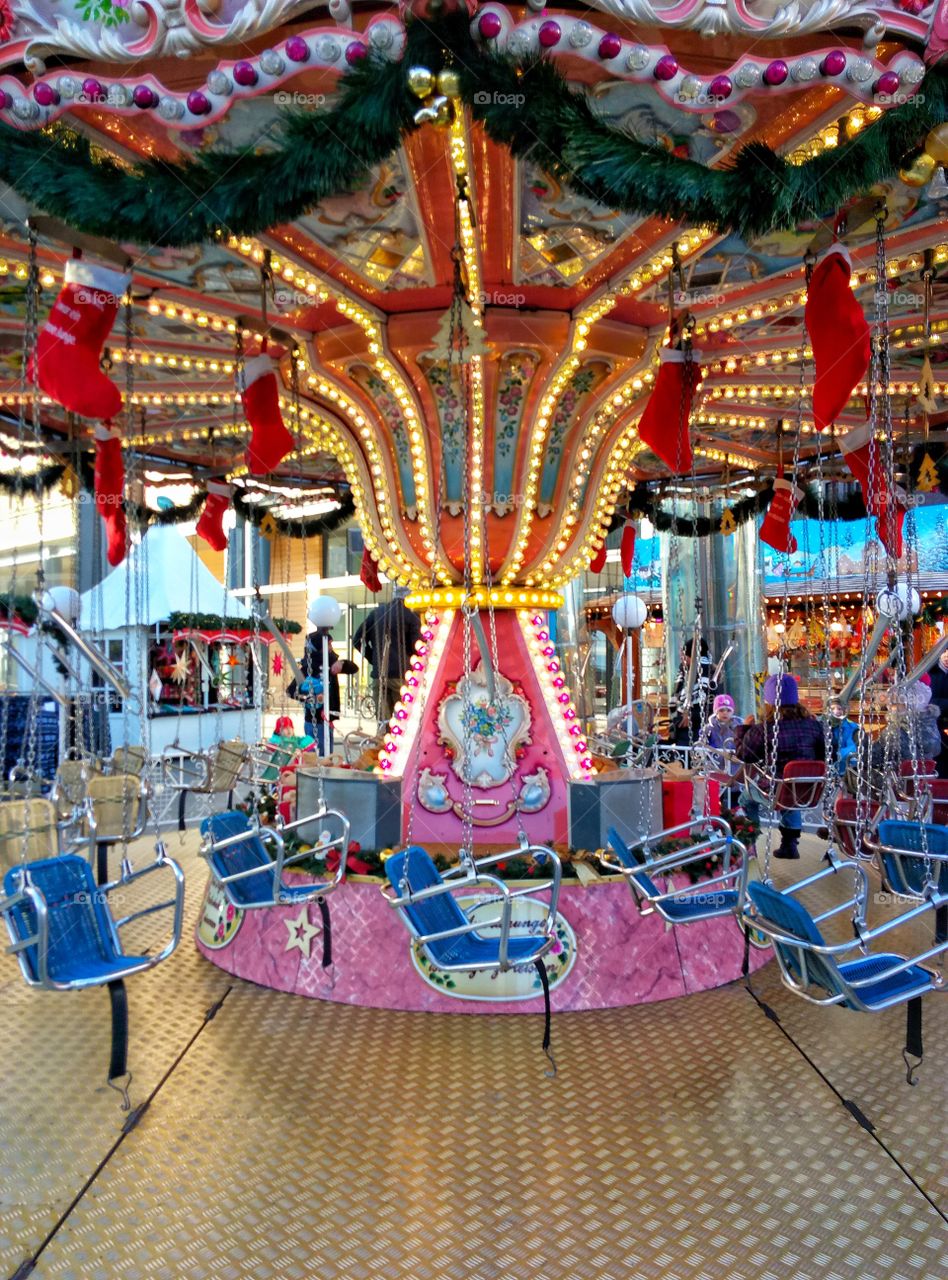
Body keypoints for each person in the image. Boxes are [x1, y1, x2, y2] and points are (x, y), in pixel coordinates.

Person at [736, 673, 824, 859]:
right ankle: (789, 844)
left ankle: (751, 836)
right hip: (808, 789)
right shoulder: (814, 726)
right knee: (791, 798)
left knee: (745, 799)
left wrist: (744, 729)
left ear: (769, 702)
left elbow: (745, 756)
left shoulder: (765, 729)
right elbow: (826, 754)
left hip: (774, 790)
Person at [352, 587, 421, 723]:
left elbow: (356, 640)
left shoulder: (376, 613)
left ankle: (382, 736)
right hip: (401, 675)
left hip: (379, 674)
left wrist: (373, 658)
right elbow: (417, 647)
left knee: (383, 721)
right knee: (401, 721)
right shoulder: (411, 616)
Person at [289, 627, 358, 756]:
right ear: (319, 646)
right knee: (317, 758)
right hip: (314, 721)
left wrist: (342, 663)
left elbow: (354, 668)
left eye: (331, 644)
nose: (331, 647)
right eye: (328, 644)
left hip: (328, 720)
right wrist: (311, 697)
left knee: (327, 757)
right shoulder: (307, 668)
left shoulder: (331, 663)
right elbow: (291, 691)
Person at [673, 636, 716, 746]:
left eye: (684, 654)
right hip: (687, 717)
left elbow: (702, 694)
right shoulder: (685, 670)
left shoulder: (703, 669)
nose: (681, 657)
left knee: (692, 745)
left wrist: (687, 712)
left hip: (695, 718)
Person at [702, 693, 741, 808]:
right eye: (721, 710)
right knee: (717, 796)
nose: (725, 713)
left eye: (728, 710)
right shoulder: (710, 728)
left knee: (734, 796)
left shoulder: (738, 726)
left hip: (734, 766)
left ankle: (734, 812)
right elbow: (702, 744)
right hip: (716, 765)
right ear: (716, 711)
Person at [927, 647, 948, 778]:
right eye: (944, 651)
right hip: (932, 727)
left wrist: (936, 704)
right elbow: (924, 701)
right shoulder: (929, 672)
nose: (947, 655)